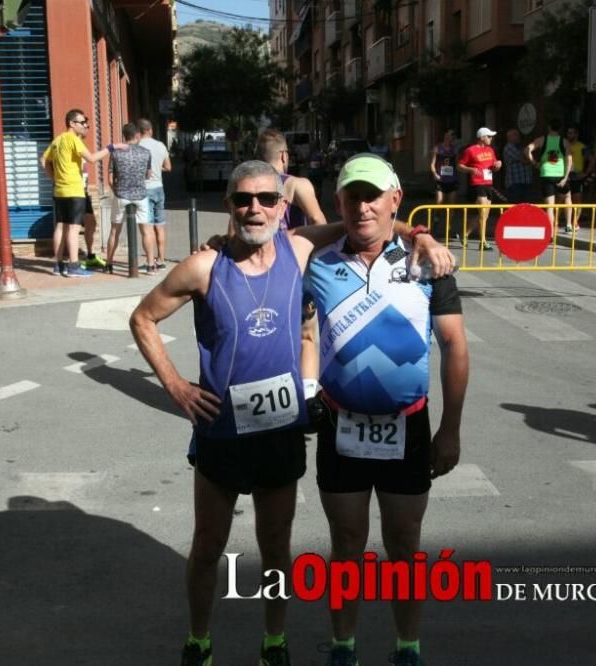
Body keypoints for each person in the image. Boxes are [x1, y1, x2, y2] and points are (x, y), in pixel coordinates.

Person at [132, 160, 453, 666]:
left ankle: (274, 642)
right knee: (208, 543)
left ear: (283, 207)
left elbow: (369, 220)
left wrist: (422, 235)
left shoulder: (299, 248)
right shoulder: (203, 266)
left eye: (265, 199)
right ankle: (198, 640)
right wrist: (175, 387)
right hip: (220, 430)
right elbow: (143, 317)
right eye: (242, 200)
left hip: (280, 430)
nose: (253, 208)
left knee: (276, 545)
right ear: (229, 207)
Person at [304, 154, 469, 666]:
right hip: (340, 424)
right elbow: (272, 252)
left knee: (404, 543)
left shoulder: (427, 263)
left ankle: (407, 648)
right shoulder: (318, 262)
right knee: (347, 542)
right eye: (353, 196)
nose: (363, 206)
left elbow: (455, 348)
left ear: (395, 199)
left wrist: (450, 430)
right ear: (339, 202)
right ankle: (344, 646)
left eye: (374, 195)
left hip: (408, 425)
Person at [41, 108, 114, 277]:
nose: (84, 125)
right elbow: (92, 158)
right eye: (82, 123)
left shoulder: (57, 141)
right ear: (72, 123)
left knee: (60, 226)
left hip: (60, 190)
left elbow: (44, 160)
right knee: (73, 229)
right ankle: (73, 266)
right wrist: (111, 147)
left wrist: (54, 179)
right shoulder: (73, 139)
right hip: (74, 190)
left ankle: (58, 265)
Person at [105, 122, 153, 273]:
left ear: (124, 136)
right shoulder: (146, 152)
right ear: (137, 135)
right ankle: (151, 264)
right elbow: (148, 174)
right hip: (141, 195)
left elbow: (110, 178)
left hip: (121, 194)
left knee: (114, 231)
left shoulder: (116, 153)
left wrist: (117, 190)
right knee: (146, 230)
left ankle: (109, 264)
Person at [257, 128, 326, 228]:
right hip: (291, 243)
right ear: (284, 156)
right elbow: (318, 221)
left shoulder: (248, 185)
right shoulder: (296, 184)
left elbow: (233, 231)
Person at [457, 127, 502, 250]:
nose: (491, 139)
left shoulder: (490, 150)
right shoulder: (470, 150)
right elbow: (460, 165)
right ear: (482, 137)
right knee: (482, 213)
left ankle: (464, 234)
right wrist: (470, 169)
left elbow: (493, 166)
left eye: (491, 136)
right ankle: (483, 242)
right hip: (477, 183)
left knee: (484, 215)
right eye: (489, 136)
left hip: (488, 183)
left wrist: (498, 165)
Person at [526, 119, 573, 233]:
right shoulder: (565, 142)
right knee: (567, 197)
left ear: (549, 127)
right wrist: (566, 177)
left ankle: (551, 232)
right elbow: (569, 160)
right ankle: (568, 225)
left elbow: (527, 149)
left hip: (546, 174)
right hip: (560, 175)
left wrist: (535, 163)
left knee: (549, 206)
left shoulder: (542, 140)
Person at [138, 118, 173, 269]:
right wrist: (158, 169)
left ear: (138, 132)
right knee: (160, 226)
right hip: (159, 187)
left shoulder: (137, 146)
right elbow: (168, 167)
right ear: (150, 130)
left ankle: (150, 261)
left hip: (144, 189)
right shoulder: (160, 145)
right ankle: (162, 259)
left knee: (147, 227)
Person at [429, 130, 459, 239]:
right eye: (451, 136)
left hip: (452, 180)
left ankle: (449, 227)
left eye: (453, 137)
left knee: (451, 205)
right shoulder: (437, 148)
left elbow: (457, 164)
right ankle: (436, 217)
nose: (452, 138)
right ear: (446, 136)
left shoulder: (454, 149)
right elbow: (432, 164)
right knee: (439, 202)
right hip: (441, 180)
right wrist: (435, 174)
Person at [565, 125, 594, 230]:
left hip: (576, 177)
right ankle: (565, 222)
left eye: (572, 133)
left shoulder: (582, 147)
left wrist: (586, 173)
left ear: (576, 134)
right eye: (568, 133)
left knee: (577, 200)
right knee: (563, 200)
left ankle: (575, 222)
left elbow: (591, 159)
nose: (569, 135)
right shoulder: (564, 145)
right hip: (564, 176)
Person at [79, 167, 106, 270]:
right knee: (72, 227)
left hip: (83, 193)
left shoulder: (81, 154)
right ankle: (67, 264)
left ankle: (90, 256)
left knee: (91, 224)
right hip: (74, 193)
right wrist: (110, 149)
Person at [503, 129, 533, 204]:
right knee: (516, 206)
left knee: (526, 206)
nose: (518, 137)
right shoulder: (508, 147)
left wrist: (529, 158)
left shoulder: (521, 147)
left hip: (526, 181)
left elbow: (528, 158)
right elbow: (524, 158)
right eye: (515, 135)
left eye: (517, 135)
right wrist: (530, 159)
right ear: (509, 137)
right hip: (515, 183)